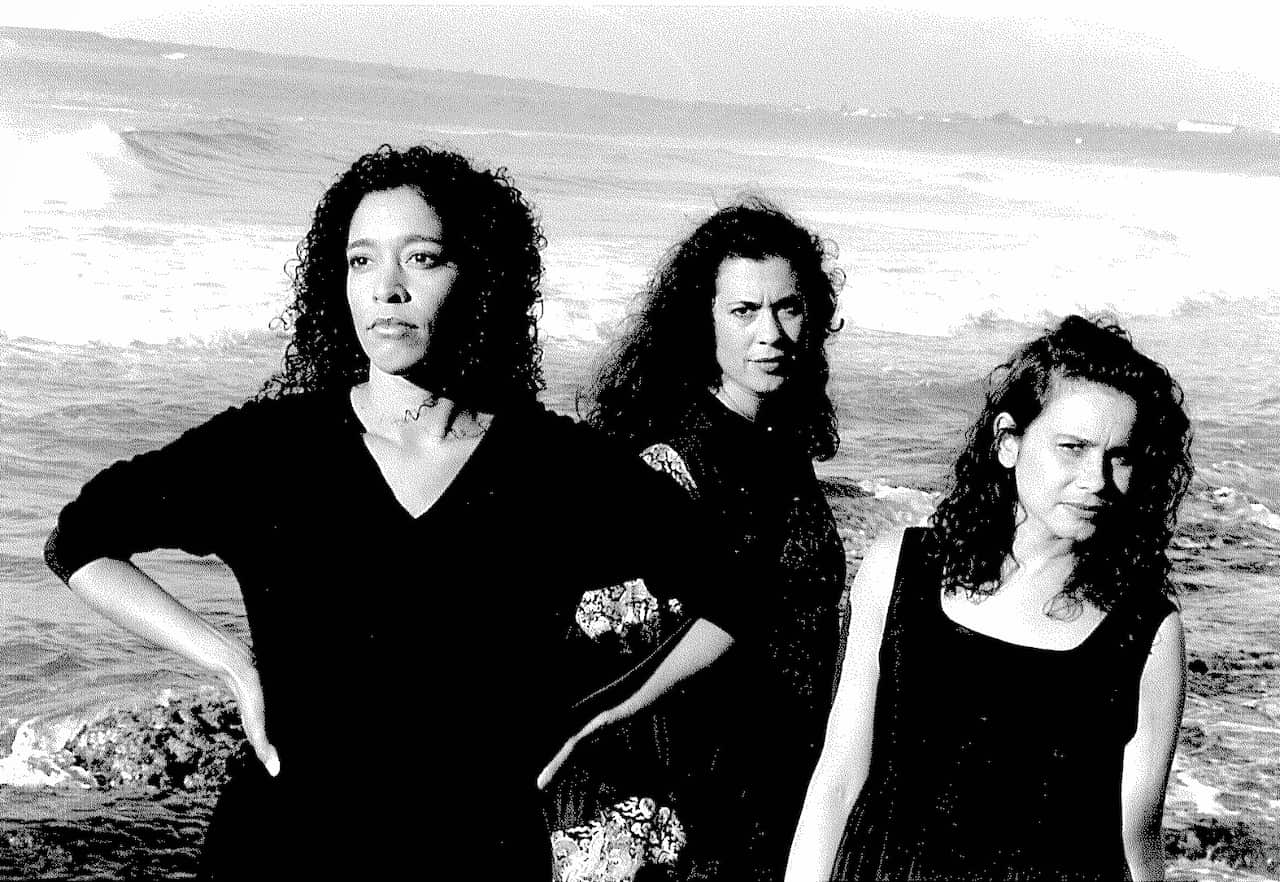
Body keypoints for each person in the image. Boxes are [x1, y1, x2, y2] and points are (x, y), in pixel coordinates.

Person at [43, 145, 749, 880]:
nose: (387, 289)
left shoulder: (557, 468)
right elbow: (80, 540)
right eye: (361, 262)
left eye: (422, 259)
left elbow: (735, 590)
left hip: (477, 852)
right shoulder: (270, 450)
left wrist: (603, 710)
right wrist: (229, 660)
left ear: (478, 276)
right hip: (282, 849)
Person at [785, 315, 1191, 881]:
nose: (1096, 479)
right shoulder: (898, 569)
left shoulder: (1146, 630)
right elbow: (837, 778)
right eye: (1072, 447)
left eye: (1120, 456)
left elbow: (1135, 833)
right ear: (1008, 442)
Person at [542, 198, 847, 881]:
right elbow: (612, 666)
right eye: (744, 311)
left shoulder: (782, 451)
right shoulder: (668, 466)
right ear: (701, 321)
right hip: (673, 824)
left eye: (789, 308)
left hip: (768, 802)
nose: (771, 333)